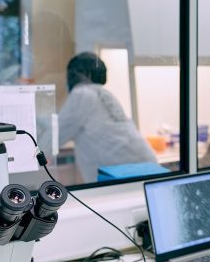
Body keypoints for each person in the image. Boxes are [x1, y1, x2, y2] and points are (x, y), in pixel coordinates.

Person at [58, 52, 157, 182]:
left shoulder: (82, 93)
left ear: (83, 74)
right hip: (149, 168)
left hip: (121, 174)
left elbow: (56, 135)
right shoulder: (104, 94)